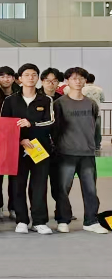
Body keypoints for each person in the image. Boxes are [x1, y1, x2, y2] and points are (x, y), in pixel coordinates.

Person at [53, 68, 108, 234]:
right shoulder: (59, 104)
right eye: (74, 78)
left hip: (87, 153)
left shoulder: (91, 104)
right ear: (67, 81)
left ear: (85, 81)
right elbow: (56, 129)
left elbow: (93, 125)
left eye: (81, 78)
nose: (78, 81)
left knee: (90, 189)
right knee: (63, 189)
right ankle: (63, 220)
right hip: (66, 153)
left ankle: (91, 221)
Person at [1, 63, 55, 235]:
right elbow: (4, 125)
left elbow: (50, 122)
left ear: (38, 78)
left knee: (39, 185)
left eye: (34, 74)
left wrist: (32, 124)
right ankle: (21, 220)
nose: (30, 78)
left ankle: (39, 221)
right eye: (26, 75)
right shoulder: (10, 101)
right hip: (17, 148)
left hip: (40, 148)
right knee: (17, 185)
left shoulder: (46, 100)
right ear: (19, 78)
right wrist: (20, 140)